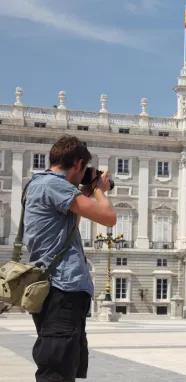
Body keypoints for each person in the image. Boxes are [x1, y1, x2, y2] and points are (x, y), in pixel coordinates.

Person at [24, 135, 116, 382]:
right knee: (56, 369)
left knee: (63, 367)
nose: (84, 173)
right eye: (84, 169)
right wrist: (98, 190)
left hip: (57, 289)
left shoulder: (40, 184)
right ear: (77, 164)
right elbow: (108, 217)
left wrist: (85, 191)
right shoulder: (55, 185)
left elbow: (68, 227)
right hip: (62, 289)